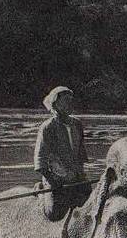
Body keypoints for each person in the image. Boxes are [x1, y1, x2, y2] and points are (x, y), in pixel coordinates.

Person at [34, 86, 90, 221]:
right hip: (55, 176)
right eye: (65, 101)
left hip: (74, 174)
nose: (69, 105)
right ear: (55, 105)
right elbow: (40, 158)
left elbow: (81, 153)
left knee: (89, 203)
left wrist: (81, 176)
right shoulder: (48, 127)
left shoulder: (77, 124)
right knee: (54, 215)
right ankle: (40, 190)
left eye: (71, 101)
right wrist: (52, 180)